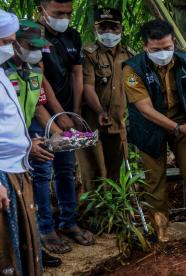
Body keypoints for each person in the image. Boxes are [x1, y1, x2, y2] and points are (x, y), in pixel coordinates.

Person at [123, 19, 186, 242]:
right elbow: (145, 109)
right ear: (145, 47)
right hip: (149, 126)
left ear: (173, 42)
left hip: (183, 121)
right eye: (156, 50)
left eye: (167, 47)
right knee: (154, 178)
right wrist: (176, 128)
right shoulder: (132, 69)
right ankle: (160, 228)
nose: (163, 53)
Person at [30, 0, 94, 254]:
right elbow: (39, 80)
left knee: (66, 170)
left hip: (66, 111)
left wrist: (75, 112)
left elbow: (77, 73)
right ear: (41, 10)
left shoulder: (72, 36)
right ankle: (45, 228)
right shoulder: (31, 38)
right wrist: (58, 116)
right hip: (41, 113)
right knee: (42, 173)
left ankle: (69, 222)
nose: (64, 17)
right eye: (58, 13)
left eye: (68, 12)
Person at [3, 19, 63, 268]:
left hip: (26, 141)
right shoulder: (5, 71)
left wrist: (58, 132)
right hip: (8, 156)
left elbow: (38, 106)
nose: (36, 51)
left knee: (36, 190)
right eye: (7, 41)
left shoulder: (35, 71)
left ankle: (37, 242)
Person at [0, 10, 42, 275]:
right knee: (7, 256)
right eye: (4, 42)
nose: (9, 48)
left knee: (23, 250)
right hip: (2, 174)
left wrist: (28, 144)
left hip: (15, 167)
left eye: (11, 41)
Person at [76, 8, 132, 192]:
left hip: (119, 122)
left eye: (113, 27)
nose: (109, 32)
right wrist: (100, 110)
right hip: (93, 123)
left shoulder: (129, 55)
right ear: (95, 29)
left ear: (121, 29)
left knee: (118, 171)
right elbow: (87, 87)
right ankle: (94, 217)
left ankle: (117, 216)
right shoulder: (89, 54)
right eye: (103, 27)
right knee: (95, 171)